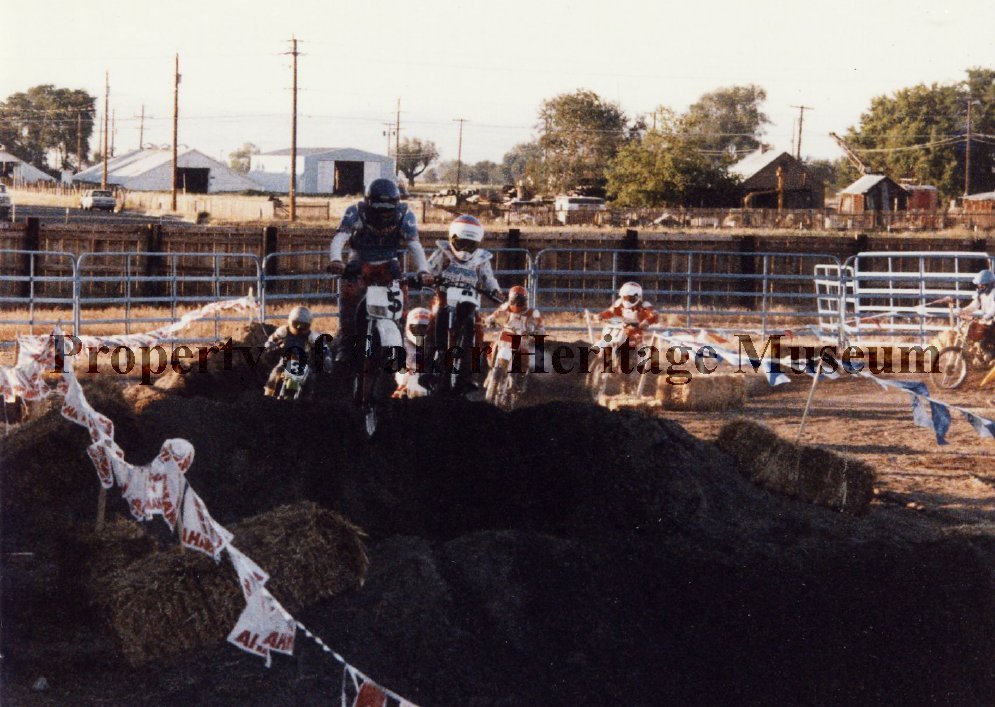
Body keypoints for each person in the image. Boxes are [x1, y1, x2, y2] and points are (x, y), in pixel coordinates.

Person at [328, 178, 432, 361]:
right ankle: (346, 341)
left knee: (401, 297)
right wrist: (336, 260)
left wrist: (423, 270)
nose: (383, 214)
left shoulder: (405, 215)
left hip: (389, 263)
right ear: (368, 203)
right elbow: (340, 237)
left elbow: (414, 244)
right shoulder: (355, 211)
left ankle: (399, 337)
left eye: (387, 210)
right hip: (360, 260)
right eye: (378, 209)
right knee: (350, 295)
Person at [484, 285, 545, 386]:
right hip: (507, 333)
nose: (517, 304)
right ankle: (491, 369)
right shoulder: (506, 306)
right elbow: (496, 314)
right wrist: (490, 319)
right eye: (514, 301)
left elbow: (540, 325)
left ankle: (522, 378)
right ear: (510, 299)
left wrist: (538, 332)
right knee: (493, 346)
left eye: (520, 301)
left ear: (525, 301)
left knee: (525, 355)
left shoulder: (533, 312)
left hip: (523, 336)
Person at [262, 306, 325, 396]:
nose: (299, 327)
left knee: (311, 378)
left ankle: (308, 398)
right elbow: (273, 338)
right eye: (296, 324)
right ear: (290, 321)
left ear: (308, 325)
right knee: (275, 373)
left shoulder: (311, 335)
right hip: (286, 360)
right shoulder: (284, 330)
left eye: (302, 325)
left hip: (303, 362)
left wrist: (326, 357)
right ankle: (268, 394)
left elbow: (322, 346)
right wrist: (270, 343)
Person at [393, 307, 432, 398]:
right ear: (408, 326)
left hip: (427, 385)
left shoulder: (435, 344)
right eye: (416, 328)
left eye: (424, 328)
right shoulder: (400, 342)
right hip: (404, 383)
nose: (420, 332)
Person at [961, 269, 995, 357]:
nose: (980, 286)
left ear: (989, 284)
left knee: (984, 343)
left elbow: (993, 309)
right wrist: (963, 310)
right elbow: (974, 305)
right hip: (988, 321)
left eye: (982, 285)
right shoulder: (981, 294)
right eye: (979, 285)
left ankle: (991, 356)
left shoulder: (993, 293)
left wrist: (985, 317)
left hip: (992, 320)